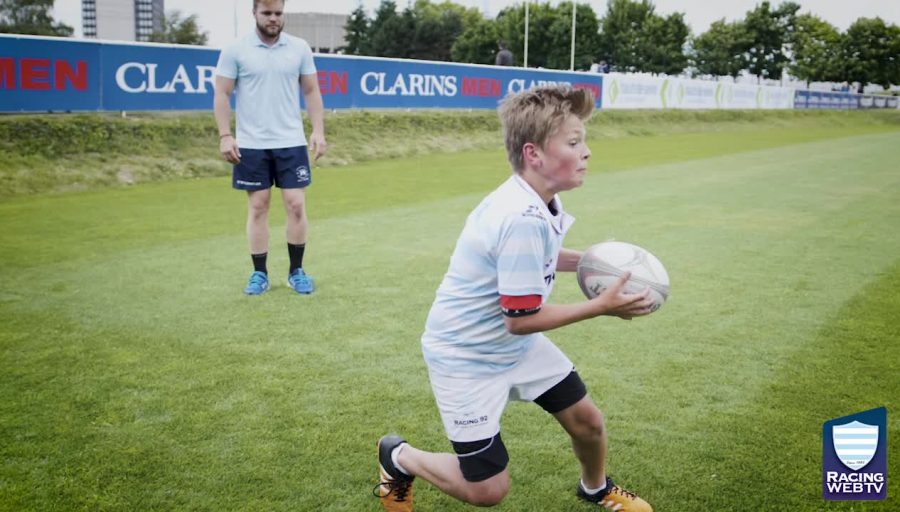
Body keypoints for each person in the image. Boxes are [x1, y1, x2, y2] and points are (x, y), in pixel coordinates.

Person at [374, 85, 654, 511]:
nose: (587, 152)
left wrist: (597, 264)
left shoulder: (537, 199)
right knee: (488, 490)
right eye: (574, 142)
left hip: (513, 348)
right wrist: (601, 305)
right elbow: (520, 318)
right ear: (533, 154)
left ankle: (594, 489)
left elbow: (535, 260)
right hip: (466, 357)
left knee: (588, 423)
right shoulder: (520, 217)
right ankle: (399, 457)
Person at [213, 0, 327, 296]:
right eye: (267, 13)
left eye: (278, 13)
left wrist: (318, 131)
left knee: (296, 204)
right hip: (251, 144)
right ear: (255, 13)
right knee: (258, 205)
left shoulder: (299, 47)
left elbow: (311, 90)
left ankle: (296, 271)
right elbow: (222, 93)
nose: (273, 19)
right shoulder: (235, 50)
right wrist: (226, 135)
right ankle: (259, 274)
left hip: (291, 142)